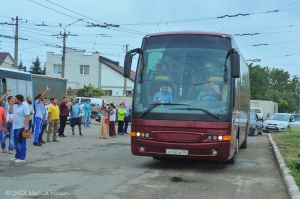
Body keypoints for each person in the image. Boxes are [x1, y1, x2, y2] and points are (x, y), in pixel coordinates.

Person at [9, 94, 30, 163]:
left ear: (19, 100)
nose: (14, 100)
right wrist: (11, 105)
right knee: (16, 143)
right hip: (15, 126)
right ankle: (17, 156)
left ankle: (22, 158)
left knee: (21, 142)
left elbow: (27, 116)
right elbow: (10, 112)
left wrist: (26, 126)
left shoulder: (25, 106)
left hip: (21, 127)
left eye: (15, 99)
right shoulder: (15, 105)